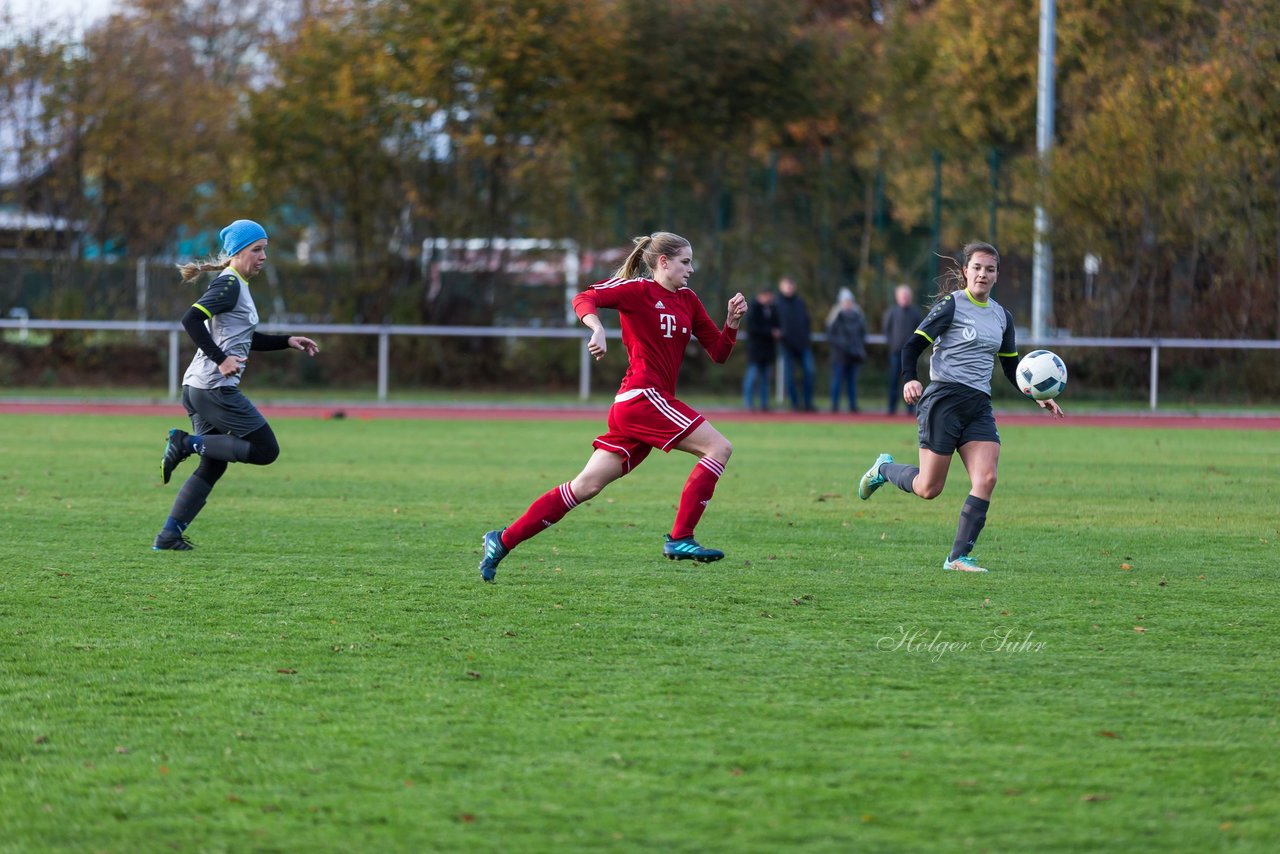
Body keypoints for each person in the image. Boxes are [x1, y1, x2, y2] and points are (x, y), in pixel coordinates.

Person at [478, 232, 747, 582]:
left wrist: (732, 322)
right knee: (719, 447)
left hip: (640, 406)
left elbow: (719, 353)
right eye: (685, 261)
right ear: (663, 262)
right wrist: (597, 329)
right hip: (643, 397)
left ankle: (502, 540)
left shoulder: (688, 300)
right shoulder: (636, 290)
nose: (691, 269)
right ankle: (681, 538)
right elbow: (584, 297)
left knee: (584, 487)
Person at [855, 241, 1064, 573]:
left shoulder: (1002, 317)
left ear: (997, 275)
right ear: (965, 271)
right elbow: (912, 346)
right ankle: (883, 469)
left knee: (987, 477)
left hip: (979, 405)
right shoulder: (951, 306)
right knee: (928, 488)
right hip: (944, 401)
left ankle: (957, 558)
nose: (983, 274)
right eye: (977, 267)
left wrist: (1036, 394)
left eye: (990, 269)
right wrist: (909, 378)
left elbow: (1011, 368)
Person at [151, 219, 320, 550]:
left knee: (214, 464)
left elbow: (244, 338)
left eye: (264, 250)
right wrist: (220, 359)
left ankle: (169, 536)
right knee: (266, 450)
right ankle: (184, 443)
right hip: (213, 388)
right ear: (238, 252)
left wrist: (287, 341)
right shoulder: (229, 285)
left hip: (198, 387)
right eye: (257, 250)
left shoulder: (237, 285)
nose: (263, 257)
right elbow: (190, 319)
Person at [775, 276, 816, 411]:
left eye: (791, 285)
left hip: (803, 345)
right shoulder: (777, 304)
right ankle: (795, 404)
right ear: (781, 287)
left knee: (810, 372)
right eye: (787, 285)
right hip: (787, 346)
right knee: (789, 377)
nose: (789, 288)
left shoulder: (800, 302)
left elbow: (806, 321)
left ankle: (808, 403)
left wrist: (806, 338)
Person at [882, 283, 924, 415]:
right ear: (897, 297)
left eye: (907, 295)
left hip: (911, 355)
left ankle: (911, 409)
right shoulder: (892, 312)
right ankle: (891, 409)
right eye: (902, 295)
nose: (905, 298)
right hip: (896, 352)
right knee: (894, 381)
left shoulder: (916, 313)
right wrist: (893, 343)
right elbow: (886, 330)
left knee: (911, 380)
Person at [825, 287, 867, 413]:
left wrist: (856, 348)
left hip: (853, 355)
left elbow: (862, 333)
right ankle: (834, 405)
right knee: (837, 380)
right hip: (839, 355)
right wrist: (842, 345)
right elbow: (830, 335)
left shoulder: (858, 315)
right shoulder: (835, 315)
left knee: (852, 382)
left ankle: (853, 405)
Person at [741, 286, 780, 411]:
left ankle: (764, 404)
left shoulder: (772, 309)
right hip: (756, 350)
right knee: (752, 377)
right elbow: (752, 329)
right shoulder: (753, 309)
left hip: (768, 350)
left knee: (765, 379)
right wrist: (770, 332)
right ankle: (748, 403)